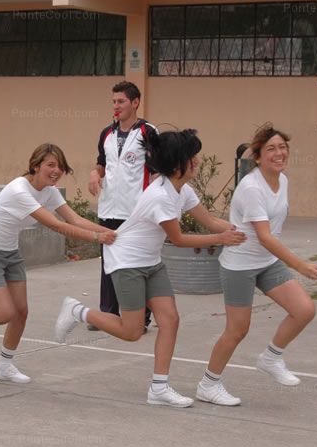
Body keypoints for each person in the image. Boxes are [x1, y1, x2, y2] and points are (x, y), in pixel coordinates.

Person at [56, 129, 245, 407]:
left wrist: (244, 231)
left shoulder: (182, 190)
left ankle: (159, 388)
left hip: (151, 261)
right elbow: (178, 240)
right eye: (192, 157)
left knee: (170, 320)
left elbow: (211, 222)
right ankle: (77, 311)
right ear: (177, 164)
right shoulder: (160, 196)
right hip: (127, 260)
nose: (197, 161)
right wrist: (221, 239)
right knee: (132, 331)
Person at [0, 143, 116, 383]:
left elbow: (75, 219)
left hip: (10, 250)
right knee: (4, 312)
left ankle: (4, 366)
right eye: (51, 165)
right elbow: (56, 225)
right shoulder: (20, 190)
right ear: (36, 166)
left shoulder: (49, 191)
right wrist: (97, 238)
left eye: (60, 167)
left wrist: (111, 233)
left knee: (21, 312)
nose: (56, 171)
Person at [198, 124, 317, 406]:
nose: (279, 153)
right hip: (239, 265)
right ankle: (208, 385)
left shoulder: (282, 180)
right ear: (258, 156)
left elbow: (270, 236)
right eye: (271, 149)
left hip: (267, 262)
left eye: (282, 147)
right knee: (237, 330)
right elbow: (264, 236)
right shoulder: (252, 188)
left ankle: (271, 358)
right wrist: (299, 265)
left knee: (304, 310)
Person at [88, 81, 156, 331]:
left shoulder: (148, 132)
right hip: (109, 209)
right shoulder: (106, 133)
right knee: (109, 264)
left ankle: (141, 318)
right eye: (114, 102)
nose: (116, 106)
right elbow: (101, 163)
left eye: (121, 101)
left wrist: (154, 206)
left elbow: (157, 171)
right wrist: (95, 173)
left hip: (136, 211)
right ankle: (108, 314)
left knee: (136, 265)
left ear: (135, 102)